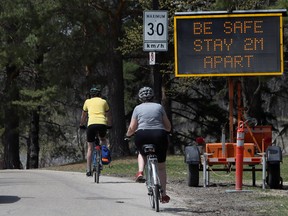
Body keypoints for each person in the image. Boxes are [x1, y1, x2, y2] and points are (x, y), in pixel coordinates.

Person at [126, 86, 172, 203]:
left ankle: (140, 171)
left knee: (141, 152)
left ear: (140, 98)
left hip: (142, 135)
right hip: (159, 135)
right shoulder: (159, 107)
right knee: (161, 167)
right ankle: (164, 195)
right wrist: (167, 130)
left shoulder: (137, 108)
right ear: (152, 97)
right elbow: (168, 126)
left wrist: (128, 134)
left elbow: (132, 127)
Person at [79, 85, 112, 176]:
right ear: (100, 94)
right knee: (103, 140)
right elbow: (108, 115)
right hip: (102, 124)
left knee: (90, 147)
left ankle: (88, 170)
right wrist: (109, 125)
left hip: (91, 125)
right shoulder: (104, 102)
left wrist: (81, 124)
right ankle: (103, 157)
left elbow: (84, 116)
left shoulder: (87, 102)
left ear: (91, 95)